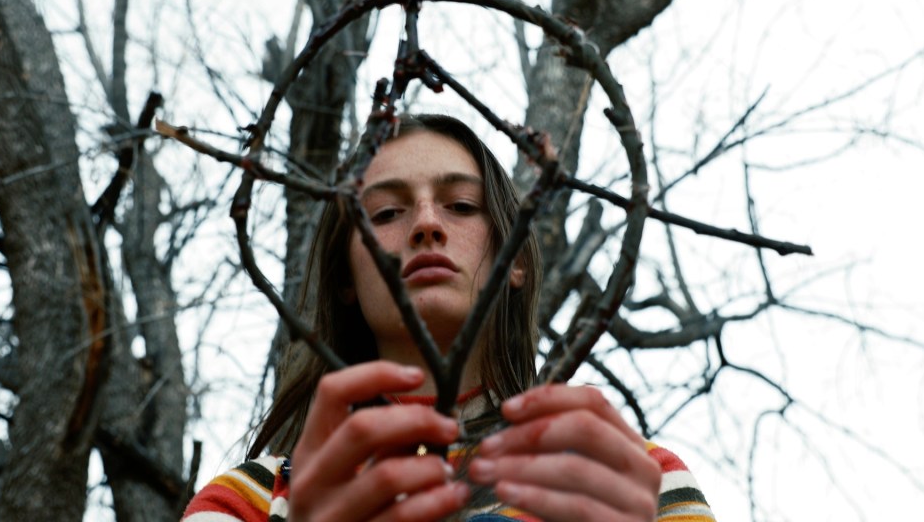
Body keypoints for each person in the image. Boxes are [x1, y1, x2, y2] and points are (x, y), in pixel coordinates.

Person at [182, 114, 716, 521]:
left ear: (515, 264)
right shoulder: (245, 502)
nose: (426, 224)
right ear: (344, 278)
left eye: (461, 205)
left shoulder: (634, 477)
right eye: (386, 214)